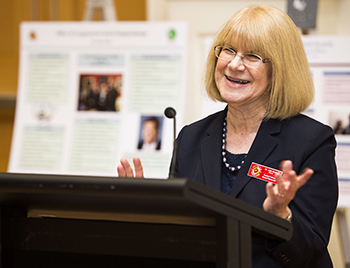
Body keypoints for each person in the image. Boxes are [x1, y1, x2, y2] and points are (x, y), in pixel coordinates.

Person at [117, 5, 338, 267]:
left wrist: (281, 216)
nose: (234, 64)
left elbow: (311, 251)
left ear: (281, 69)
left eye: (253, 55)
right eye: (229, 50)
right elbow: (177, 236)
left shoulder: (311, 141)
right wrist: (146, 209)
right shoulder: (191, 137)